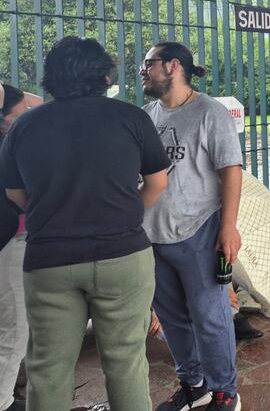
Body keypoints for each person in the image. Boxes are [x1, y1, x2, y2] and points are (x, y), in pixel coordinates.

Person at [0, 37, 169, 411]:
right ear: (104, 76)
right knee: (126, 363)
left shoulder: (24, 128)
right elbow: (157, 182)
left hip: (49, 261)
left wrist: (57, 210)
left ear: (50, 78)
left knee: (48, 369)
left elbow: (15, 196)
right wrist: (125, 213)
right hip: (123, 256)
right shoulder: (131, 118)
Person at [141, 41, 245, 411]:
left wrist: (228, 227)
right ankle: (193, 383)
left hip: (200, 231)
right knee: (171, 318)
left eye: (148, 63)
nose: (142, 70)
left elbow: (231, 171)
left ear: (172, 66)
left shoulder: (209, 112)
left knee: (210, 316)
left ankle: (224, 392)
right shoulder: (147, 115)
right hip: (152, 235)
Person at [0, 85, 44, 411]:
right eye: (23, 114)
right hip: (10, 244)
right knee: (14, 332)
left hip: (16, 241)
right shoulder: (9, 146)